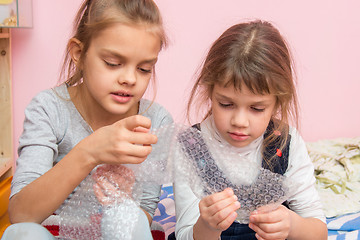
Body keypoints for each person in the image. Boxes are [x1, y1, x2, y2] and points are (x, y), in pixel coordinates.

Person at [3, 0, 172, 239]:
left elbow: (143, 217)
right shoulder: (50, 109)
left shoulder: (156, 119)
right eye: (113, 64)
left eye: (144, 69)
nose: (129, 78)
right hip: (56, 232)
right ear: (79, 54)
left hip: (117, 232)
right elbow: (21, 213)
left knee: (130, 220)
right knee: (22, 234)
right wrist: (90, 152)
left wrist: (122, 201)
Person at [172, 20, 327, 240]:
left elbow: (319, 232)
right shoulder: (191, 146)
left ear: (277, 103)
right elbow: (185, 234)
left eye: (256, 108)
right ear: (210, 93)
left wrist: (291, 225)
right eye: (226, 104)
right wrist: (208, 226)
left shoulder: (286, 143)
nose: (239, 121)